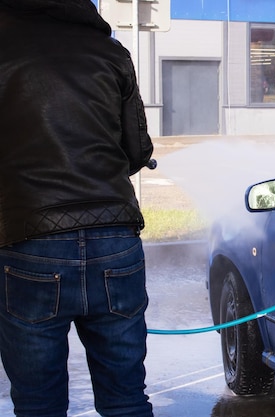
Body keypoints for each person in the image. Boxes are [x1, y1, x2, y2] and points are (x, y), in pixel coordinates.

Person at [0, 1, 154, 416]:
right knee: (126, 399)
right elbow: (138, 150)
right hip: (116, 240)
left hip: (29, 243)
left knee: (38, 405)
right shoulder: (109, 51)